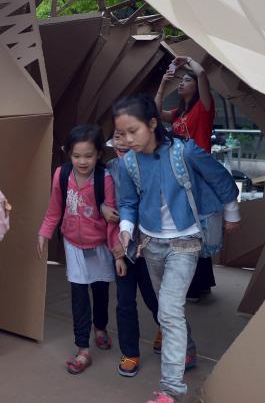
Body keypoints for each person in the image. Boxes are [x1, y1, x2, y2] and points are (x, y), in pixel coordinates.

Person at [113, 95, 241, 403]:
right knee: (167, 310)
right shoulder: (126, 163)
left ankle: (171, 389)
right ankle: (188, 350)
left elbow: (221, 178)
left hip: (185, 242)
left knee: (168, 311)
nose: (128, 139)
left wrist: (232, 212)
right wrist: (126, 229)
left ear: (153, 124)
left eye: (134, 131)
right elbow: (128, 202)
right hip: (150, 243)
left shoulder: (185, 152)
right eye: (122, 133)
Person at [36, 124, 118, 374]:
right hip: (73, 244)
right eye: (76, 155)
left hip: (100, 245)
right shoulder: (62, 175)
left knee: (101, 291)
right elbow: (54, 209)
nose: (82, 161)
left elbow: (113, 218)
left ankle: (100, 327)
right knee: (79, 296)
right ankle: (83, 349)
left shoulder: (105, 179)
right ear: (68, 153)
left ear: (99, 155)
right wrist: (44, 233)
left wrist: (117, 251)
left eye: (89, 155)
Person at [155, 56, 218, 303]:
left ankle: (196, 285)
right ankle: (199, 285)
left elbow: (203, 75)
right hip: (181, 177)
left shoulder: (204, 108)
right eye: (180, 80)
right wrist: (162, 85)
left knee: (193, 230)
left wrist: (188, 61)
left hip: (199, 178)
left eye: (186, 80)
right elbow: (155, 113)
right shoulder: (179, 114)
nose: (182, 83)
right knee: (189, 230)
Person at [103, 131, 161, 377]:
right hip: (122, 247)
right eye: (117, 137)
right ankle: (130, 352)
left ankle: (164, 329)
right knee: (125, 302)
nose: (123, 142)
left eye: (129, 135)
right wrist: (102, 207)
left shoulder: (154, 164)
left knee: (153, 296)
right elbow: (100, 200)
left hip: (150, 246)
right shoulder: (109, 168)